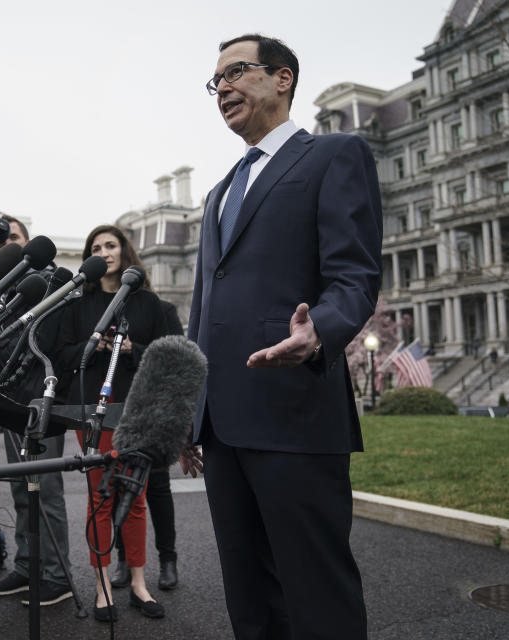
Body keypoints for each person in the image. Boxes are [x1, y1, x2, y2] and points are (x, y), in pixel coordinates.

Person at [186, 34, 382, 639]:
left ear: (282, 78)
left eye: (235, 73)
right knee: (249, 599)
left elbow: (354, 277)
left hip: (295, 415)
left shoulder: (334, 154)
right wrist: (191, 415)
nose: (222, 88)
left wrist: (319, 331)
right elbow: (201, 313)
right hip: (222, 429)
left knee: (316, 596)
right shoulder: (219, 193)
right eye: (214, 81)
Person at [56, 225, 168, 622]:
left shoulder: (148, 304)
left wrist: (131, 349)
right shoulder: (78, 303)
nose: (104, 252)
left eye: (111, 245)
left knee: (135, 499)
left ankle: (139, 583)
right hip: (92, 412)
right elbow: (64, 353)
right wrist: (93, 344)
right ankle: (103, 585)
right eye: (97, 247)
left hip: (136, 411)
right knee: (101, 498)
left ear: (125, 252)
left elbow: (163, 357)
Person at [0, 216, 73, 607]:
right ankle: (26, 566)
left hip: (44, 401)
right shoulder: (1, 291)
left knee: (45, 491)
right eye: (3, 245)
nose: (10, 249)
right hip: (10, 400)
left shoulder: (55, 286)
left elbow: (51, 342)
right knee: (20, 489)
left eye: (16, 242)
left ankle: (57, 576)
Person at [111, 298, 182, 592]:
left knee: (156, 487)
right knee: (119, 488)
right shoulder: (105, 312)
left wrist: (132, 349)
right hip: (117, 411)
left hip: (153, 411)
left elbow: (177, 359)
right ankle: (124, 559)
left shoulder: (162, 309)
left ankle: (168, 559)